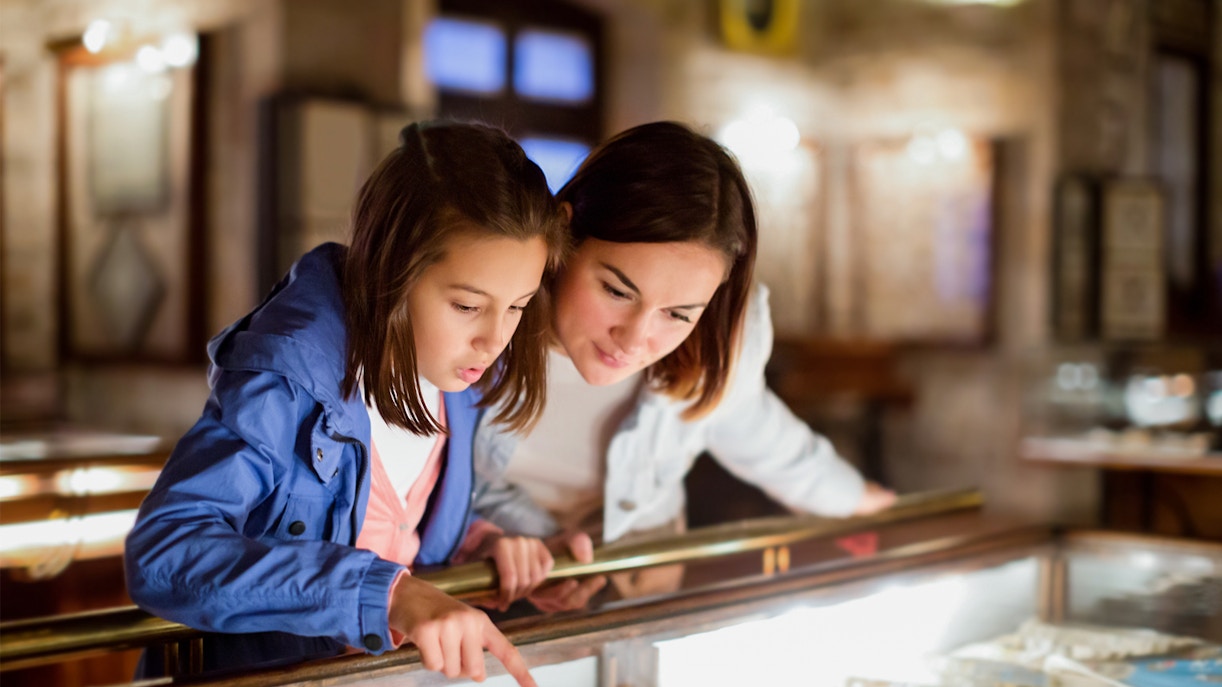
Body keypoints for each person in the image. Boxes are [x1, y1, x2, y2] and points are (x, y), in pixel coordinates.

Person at [125, 121, 569, 685]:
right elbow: (166, 555)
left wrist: (487, 546)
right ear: (391, 271)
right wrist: (383, 596)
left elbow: (394, 529)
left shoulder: (458, 381)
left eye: (518, 307)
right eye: (466, 306)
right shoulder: (288, 385)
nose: (495, 339)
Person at [472, 121, 897, 608]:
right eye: (616, 290)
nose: (634, 338)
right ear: (565, 233)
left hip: (637, 589)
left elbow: (758, 432)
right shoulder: (484, 315)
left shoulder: (719, 338)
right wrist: (526, 544)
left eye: (678, 314)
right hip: (487, 584)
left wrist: (860, 501)